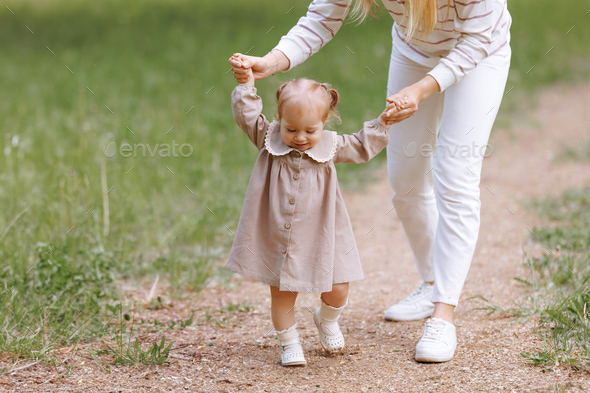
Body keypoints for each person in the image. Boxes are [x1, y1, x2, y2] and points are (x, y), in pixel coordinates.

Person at [229, 0, 511, 363]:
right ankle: (430, 283)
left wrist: (422, 90)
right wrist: (272, 61)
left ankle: (443, 313)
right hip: (414, 48)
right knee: (406, 182)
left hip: (478, 52)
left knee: (455, 177)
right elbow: (321, 19)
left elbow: (475, 43)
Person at [227, 53, 395, 366]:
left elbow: (361, 146)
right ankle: (289, 343)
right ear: (280, 120)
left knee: (339, 288)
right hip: (280, 233)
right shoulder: (268, 138)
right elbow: (247, 115)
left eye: (310, 130)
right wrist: (246, 84)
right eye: (291, 130)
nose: (300, 138)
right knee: (282, 293)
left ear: (325, 122)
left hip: (323, 231)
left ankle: (327, 319)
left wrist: (383, 122)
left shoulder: (331, 145)